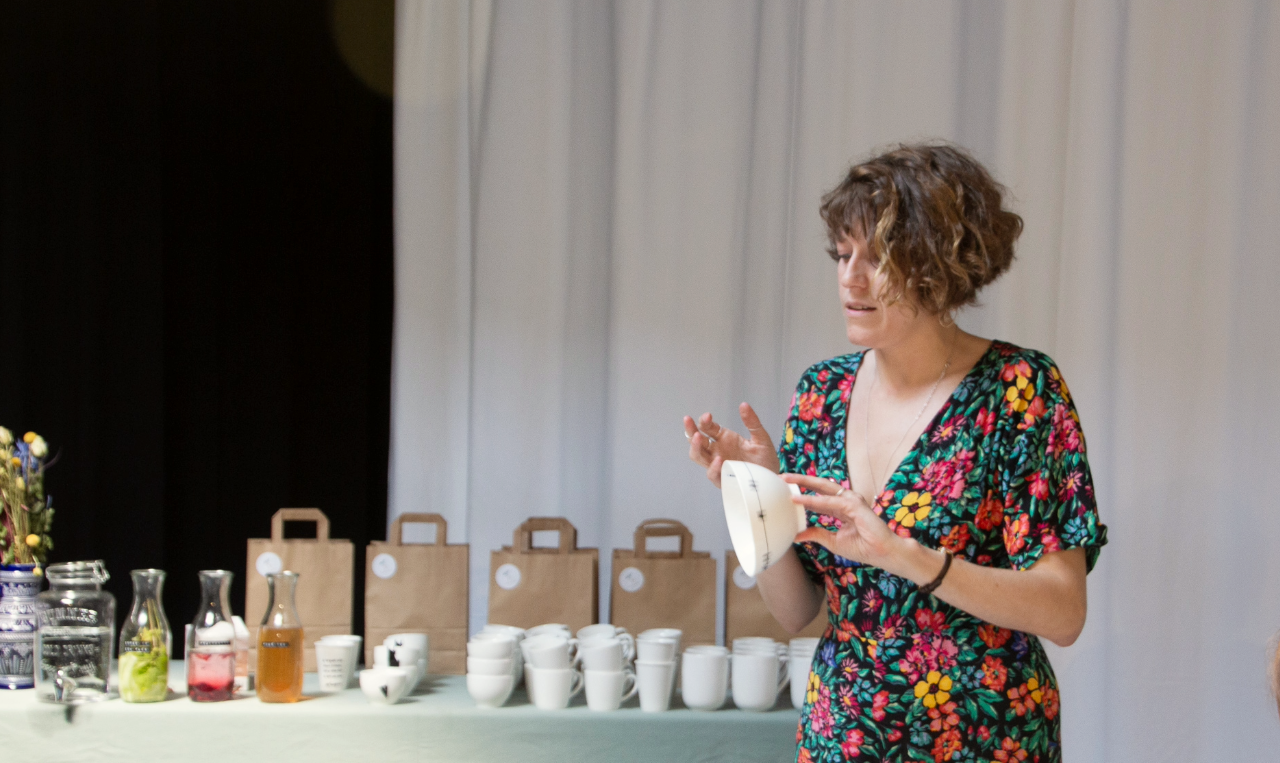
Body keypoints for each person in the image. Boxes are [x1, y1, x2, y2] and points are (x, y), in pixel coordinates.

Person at [684, 143, 1107, 762]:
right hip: (844, 733)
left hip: (984, 738)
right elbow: (797, 611)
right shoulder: (820, 393)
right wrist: (758, 493)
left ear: (944, 264)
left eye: (878, 257)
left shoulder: (1019, 390)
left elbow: (1064, 611)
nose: (851, 277)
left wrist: (907, 557)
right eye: (843, 253)